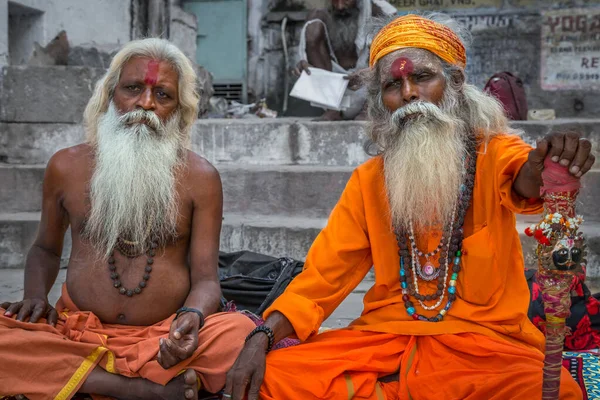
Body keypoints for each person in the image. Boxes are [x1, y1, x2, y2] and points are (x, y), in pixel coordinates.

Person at [225, 13, 595, 400]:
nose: (409, 94)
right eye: (392, 85)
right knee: (274, 377)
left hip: (485, 348)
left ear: (454, 84)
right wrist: (262, 335)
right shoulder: (369, 182)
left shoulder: (494, 153)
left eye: (422, 77)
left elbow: (525, 179)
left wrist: (546, 165)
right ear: (380, 103)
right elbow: (320, 281)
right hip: (387, 342)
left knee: (551, 391)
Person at [0, 38, 255, 400]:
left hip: (162, 338)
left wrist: (192, 318)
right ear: (109, 95)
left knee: (240, 333)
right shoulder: (65, 167)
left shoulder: (201, 178)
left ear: (179, 110)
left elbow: (207, 281)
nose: (145, 104)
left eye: (163, 95)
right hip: (76, 333)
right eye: (133, 88)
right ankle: (142, 390)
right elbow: (44, 248)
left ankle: (83, 381)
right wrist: (35, 295)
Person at [292, 0, 396, 121]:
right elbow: (306, 52)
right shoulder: (320, 15)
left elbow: (396, 56)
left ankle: (368, 110)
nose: (340, 7)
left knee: (385, 34)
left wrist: (370, 72)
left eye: (345, 0)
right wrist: (304, 63)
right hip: (333, 92)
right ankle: (332, 111)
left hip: (367, 89)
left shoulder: (377, 10)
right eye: (335, 1)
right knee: (313, 25)